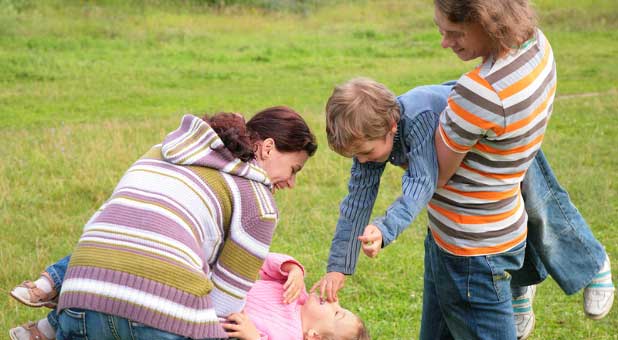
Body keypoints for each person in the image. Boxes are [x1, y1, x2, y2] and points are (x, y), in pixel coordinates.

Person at [313, 2, 614, 331]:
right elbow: (356, 200)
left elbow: (424, 183)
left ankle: (575, 267)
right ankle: (521, 285)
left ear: (391, 127)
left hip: (491, 147)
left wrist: (384, 230)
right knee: (521, 205)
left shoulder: (420, 124)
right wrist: (338, 266)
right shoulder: (370, 138)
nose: (361, 162)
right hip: (474, 147)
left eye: (366, 153)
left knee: (540, 204)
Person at [10, 107, 318, 340]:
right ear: (266, 148)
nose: (290, 183)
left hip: (78, 301)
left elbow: (99, 221)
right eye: (294, 169)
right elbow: (224, 308)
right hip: (160, 320)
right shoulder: (258, 202)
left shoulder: (162, 151)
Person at [10, 253, 369, 340]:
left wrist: (253, 337)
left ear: (314, 337)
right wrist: (293, 269)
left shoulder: (289, 335)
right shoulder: (296, 293)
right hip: (200, 277)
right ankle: (53, 282)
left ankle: (52, 326)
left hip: (187, 312)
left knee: (123, 299)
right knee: (135, 249)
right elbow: (263, 261)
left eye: (338, 314)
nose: (335, 303)